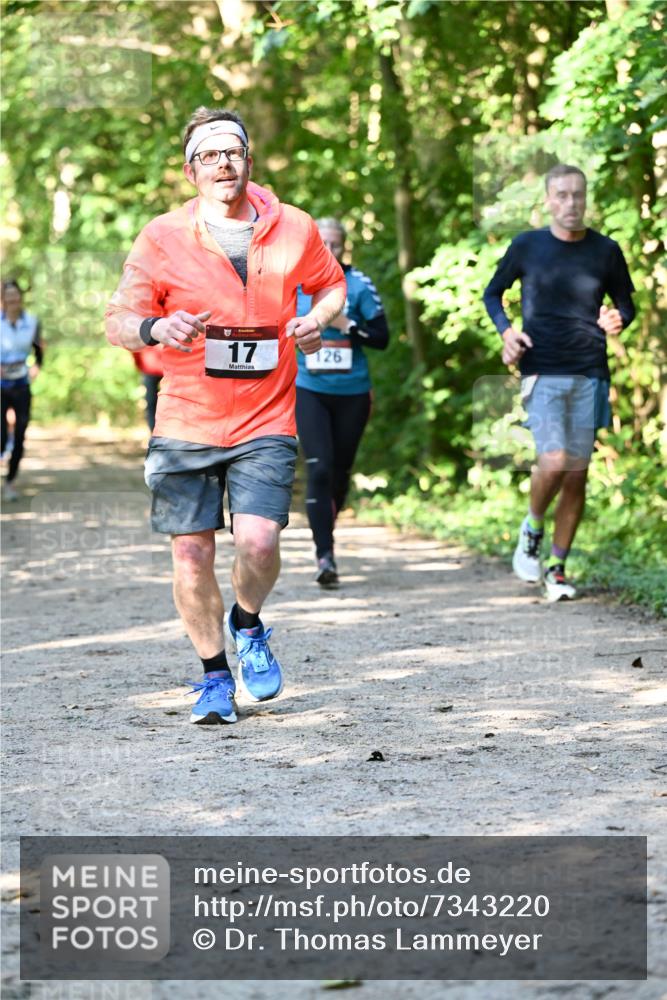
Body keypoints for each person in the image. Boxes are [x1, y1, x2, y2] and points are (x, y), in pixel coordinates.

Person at [105, 107, 346, 725]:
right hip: (187, 419)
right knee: (191, 553)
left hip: (267, 415)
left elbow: (332, 285)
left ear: (248, 161)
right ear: (191, 171)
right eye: (209, 156)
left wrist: (315, 322)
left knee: (261, 542)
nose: (222, 164)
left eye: (232, 152)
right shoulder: (162, 236)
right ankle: (215, 677)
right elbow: (119, 321)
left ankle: (247, 623)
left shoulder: (293, 227)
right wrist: (159, 325)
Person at [483, 164, 635, 602]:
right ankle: (532, 526)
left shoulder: (606, 251)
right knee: (553, 460)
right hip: (542, 367)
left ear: (585, 199)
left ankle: (558, 569)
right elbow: (493, 293)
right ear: (548, 200)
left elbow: (625, 304)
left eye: (578, 195)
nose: (571, 203)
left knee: (577, 475)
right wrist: (508, 333)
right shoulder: (527, 246)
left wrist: (618, 317)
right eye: (563, 195)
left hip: (590, 370)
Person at [295, 218, 389, 588]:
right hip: (308, 389)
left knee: (339, 473)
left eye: (336, 244)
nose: (330, 251)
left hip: (353, 393)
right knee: (319, 468)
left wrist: (347, 323)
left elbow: (382, 338)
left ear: (344, 246)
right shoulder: (294, 284)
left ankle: (327, 536)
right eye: (323, 244)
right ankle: (325, 556)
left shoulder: (359, 285)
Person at [1, 280, 44, 502]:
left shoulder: (32, 322)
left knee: (20, 434)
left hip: (21, 384)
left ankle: (10, 482)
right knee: (0, 435)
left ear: (20, 297)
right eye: (8, 296)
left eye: (15, 295)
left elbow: (39, 350)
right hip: (0, 386)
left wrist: (37, 365)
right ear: (3, 299)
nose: (12, 300)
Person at [132, 346, 164, 431]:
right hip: (150, 370)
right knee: (151, 402)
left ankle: (159, 432)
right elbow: (136, 348)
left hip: (165, 369)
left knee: (153, 402)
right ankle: (154, 432)